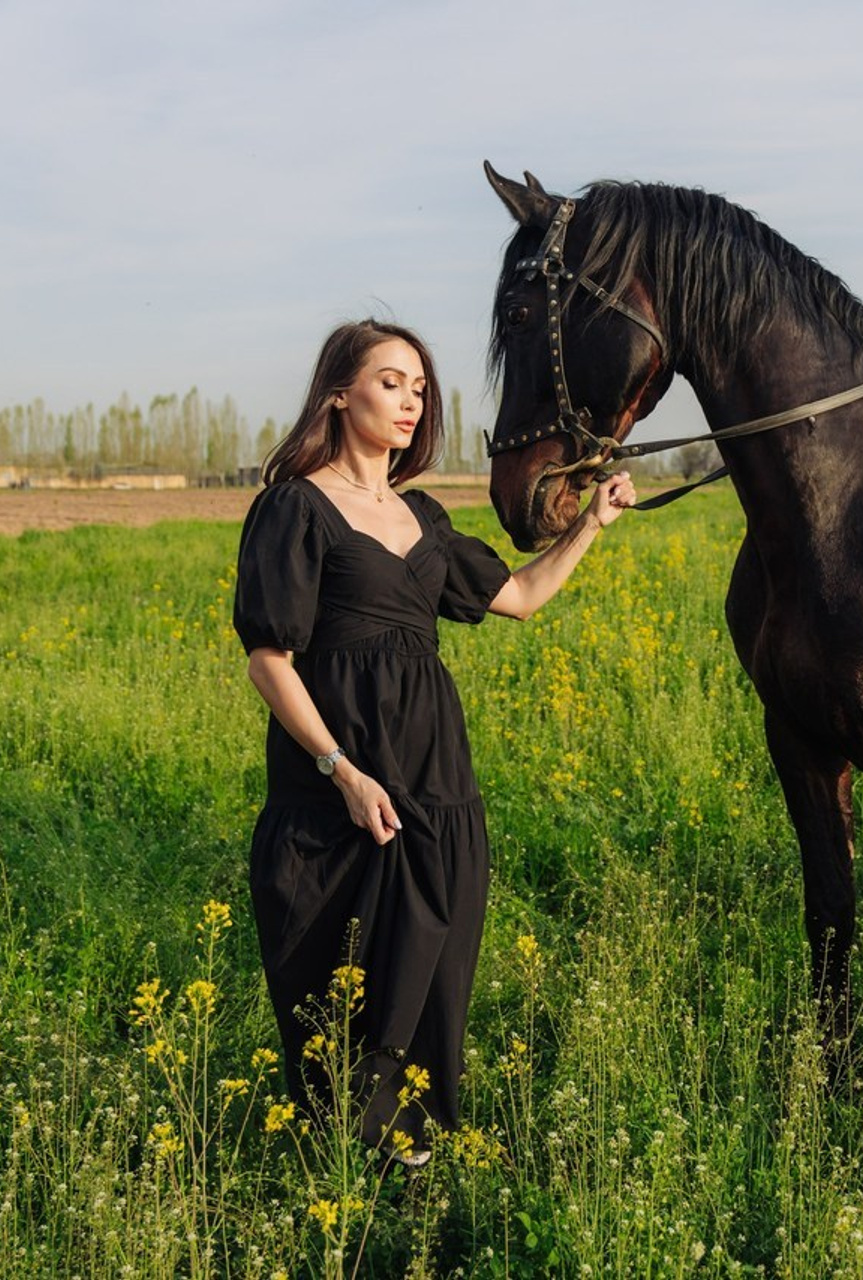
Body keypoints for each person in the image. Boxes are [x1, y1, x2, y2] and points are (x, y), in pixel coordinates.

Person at [233, 318, 634, 1164]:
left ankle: (410, 1153)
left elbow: (521, 596)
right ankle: (347, 1154)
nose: (410, 401)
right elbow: (269, 659)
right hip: (340, 783)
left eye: (419, 388)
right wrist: (342, 772)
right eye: (390, 382)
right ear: (338, 393)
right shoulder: (295, 507)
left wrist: (592, 522)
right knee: (339, 970)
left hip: (435, 776)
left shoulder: (423, 518)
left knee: (435, 967)